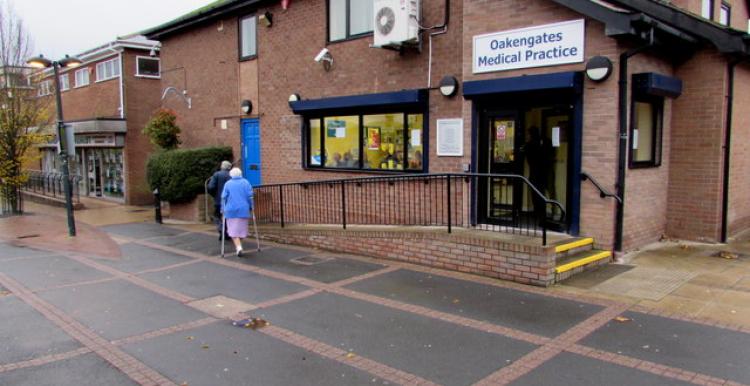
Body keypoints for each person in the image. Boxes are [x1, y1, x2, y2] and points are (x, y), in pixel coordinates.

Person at [221, 167, 254, 257]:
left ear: (231, 175)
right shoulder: (246, 182)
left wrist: (222, 209)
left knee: (232, 231)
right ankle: (238, 246)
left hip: (231, 210)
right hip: (243, 209)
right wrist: (252, 206)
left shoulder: (228, 184)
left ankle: (238, 247)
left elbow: (223, 197)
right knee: (242, 231)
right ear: (240, 174)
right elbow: (250, 196)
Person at [207, 161, 232, 239]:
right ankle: (227, 232)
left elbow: (210, 187)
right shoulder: (231, 175)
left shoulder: (217, 174)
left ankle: (222, 230)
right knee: (228, 217)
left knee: (216, 216)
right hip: (230, 201)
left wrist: (214, 195)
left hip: (218, 200)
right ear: (229, 168)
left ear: (222, 166)